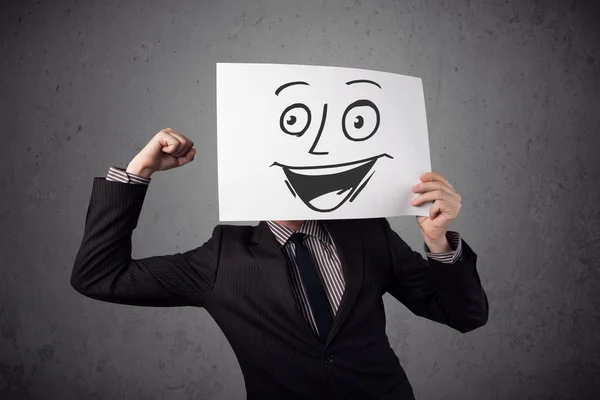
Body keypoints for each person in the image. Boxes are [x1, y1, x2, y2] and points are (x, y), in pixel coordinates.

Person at [71, 128, 488, 400]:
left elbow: (464, 315)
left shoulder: (367, 232)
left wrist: (438, 243)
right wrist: (138, 171)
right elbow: (99, 276)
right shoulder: (223, 257)